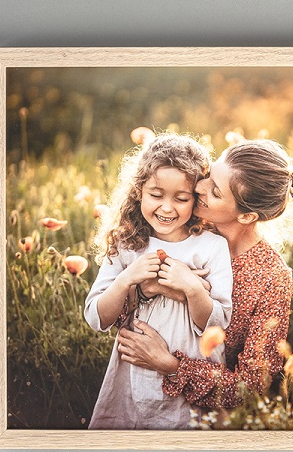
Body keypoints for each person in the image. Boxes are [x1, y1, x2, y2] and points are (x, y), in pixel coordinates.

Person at [113, 139, 293, 410]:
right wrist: (146, 290)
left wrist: (169, 364)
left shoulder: (270, 276)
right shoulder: (179, 221)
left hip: (202, 417)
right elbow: (113, 315)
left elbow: (251, 388)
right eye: (209, 176)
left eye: (215, 192)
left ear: (246, 216)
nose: (198, 187)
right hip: (132, 389)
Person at [84, 134, 233, 429]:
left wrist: (190, 286)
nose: (167, 208)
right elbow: (95, 317)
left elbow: (216, 325)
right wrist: (127, 278)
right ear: (139, 191)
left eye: (181, 198)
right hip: (131, 377)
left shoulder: (211, 247)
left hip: (187, 378)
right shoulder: (127, 245)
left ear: (196, 198)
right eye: (156, 194)